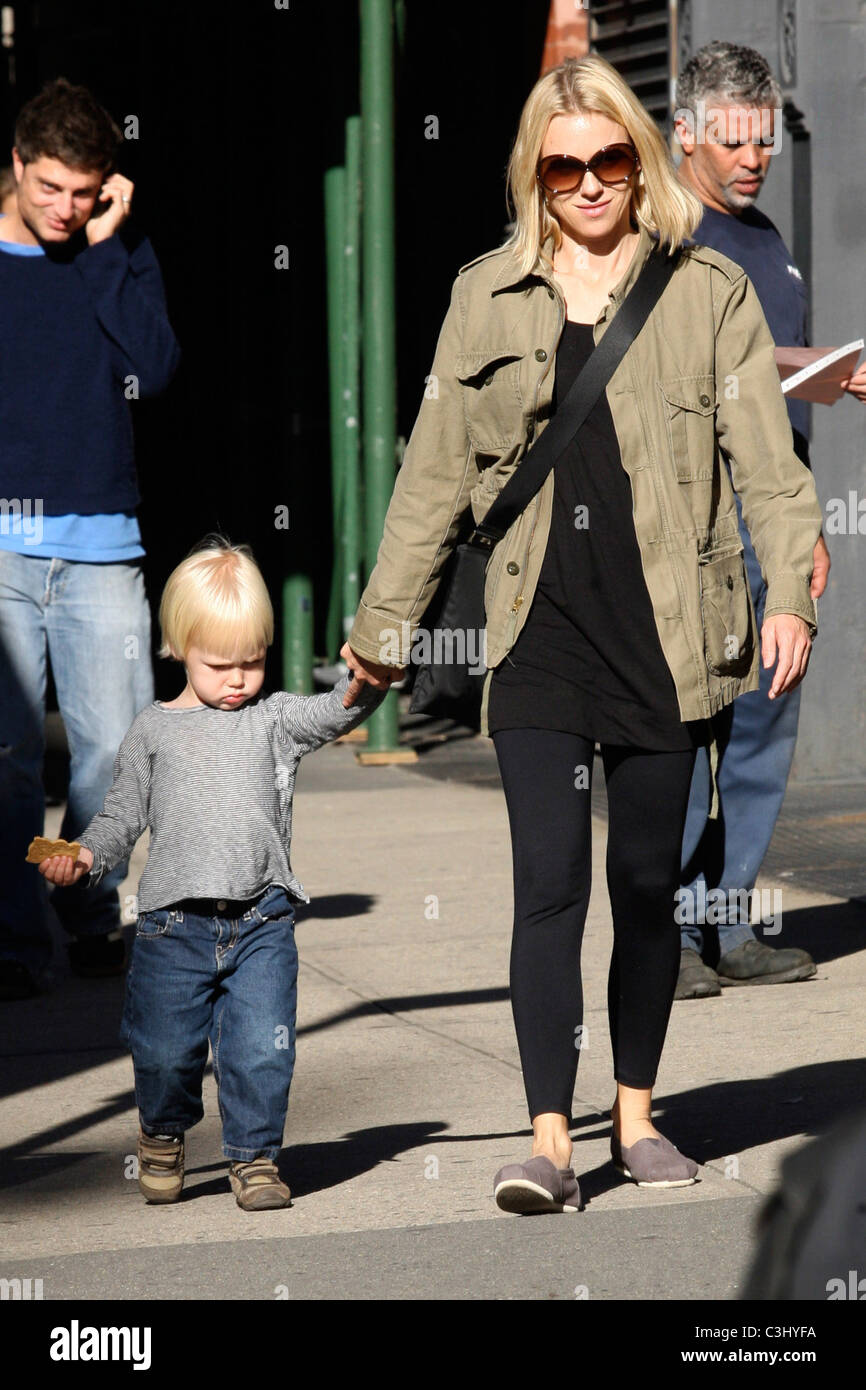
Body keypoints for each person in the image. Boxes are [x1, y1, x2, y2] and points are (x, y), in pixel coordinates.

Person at [338, 54, 822, 1211]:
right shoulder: (485, 297)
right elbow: (433, 473)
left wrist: (789, 596)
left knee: (644, 885)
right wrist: (384, 625)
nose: (590, 183)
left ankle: (636, 1117)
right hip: (537, 630)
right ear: (535, 177)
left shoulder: (707, 290)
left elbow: (767, 466)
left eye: (609, 158)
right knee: (548, 889)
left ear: (639, 160)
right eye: (564, 168)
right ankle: (548, 1142)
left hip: (665, 630)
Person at [34, 538, 388, 1210]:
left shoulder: (273, 719)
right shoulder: (152, 731)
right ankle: (162, 1132)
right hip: (172, 929)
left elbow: (333, 712)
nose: (237, 680)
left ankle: (255, 1157)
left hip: (262, 922)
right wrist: (83, 855)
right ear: (177, 648)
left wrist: (367, 683)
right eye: (219, 664)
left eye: (252, 661)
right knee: (165, 1052)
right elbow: (120, 816)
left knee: (261, 1050)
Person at [0, 78, 180, 1000]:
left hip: (104, 539)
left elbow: (156, 367)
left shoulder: (116, 248)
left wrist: (108, 248)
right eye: (50, 189)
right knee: (8, 757)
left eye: (85, 192)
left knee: (113, 752)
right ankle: (13, 939)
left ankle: (83, 898)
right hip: (3, 543)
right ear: (17, 164)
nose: (66, 208)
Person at [672, 42, 830, 997]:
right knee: (682, 738)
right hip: (691, 528)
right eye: (733, 140)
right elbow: (683, 368)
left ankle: (728, 924)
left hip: (772, 526)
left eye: (763, 140)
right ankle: (666, 937)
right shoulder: (658, 236)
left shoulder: (769, 242)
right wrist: (791, 361)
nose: (753, 158)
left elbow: (782, 416)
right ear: (685, 133)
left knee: (763, 731)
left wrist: (808, 536)